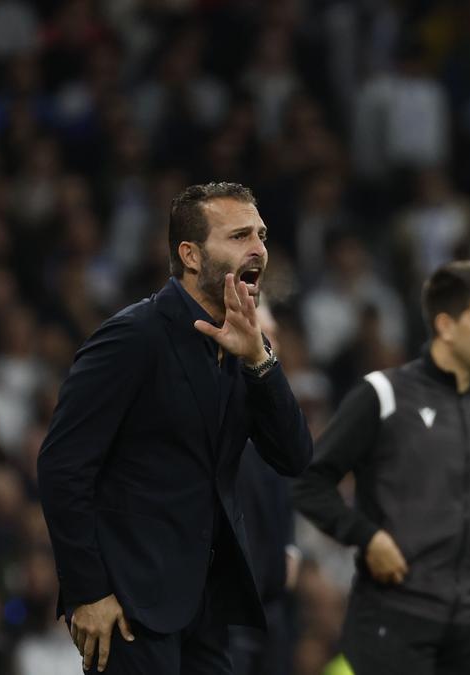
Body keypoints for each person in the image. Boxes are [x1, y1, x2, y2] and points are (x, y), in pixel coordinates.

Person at [37, 182, 313, 674]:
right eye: (239, 236)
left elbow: (294, 456)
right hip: (129, 605)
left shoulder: (245, 344)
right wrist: (88, 592)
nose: (259, 250)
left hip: (205, 610)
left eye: (262, 235)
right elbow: (62, 466)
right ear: (190, 254)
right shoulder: (132, 337)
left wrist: (260, 361)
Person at [292, 260, 470, 675]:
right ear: (446, 326)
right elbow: (311, 483)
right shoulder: (383, 395)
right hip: (394, 620)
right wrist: (367, 537)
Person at [228, 306, 301, 675]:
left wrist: (290, 544)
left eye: (272, 332)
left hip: (273, 601)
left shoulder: (279, 410)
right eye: (261, 330)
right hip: (229, 606)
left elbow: (288, 483)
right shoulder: (222, 401)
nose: (270, 341)